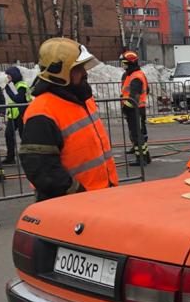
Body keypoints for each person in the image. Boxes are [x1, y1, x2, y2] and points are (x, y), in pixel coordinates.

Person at [20, 38, 118, 201]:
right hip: (72, 202)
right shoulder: (42, 112)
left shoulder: (82, 100)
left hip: (99, 196)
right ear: (61, 72)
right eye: (78, 68)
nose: (85, 73)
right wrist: (76, 192)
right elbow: (42, 170)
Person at [120, 50, 151, 165]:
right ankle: (146, 157)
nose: (123, 66)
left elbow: (133, 98)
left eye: (124, 63)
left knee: (137, 134)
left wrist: (126, 108)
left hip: (134, 110)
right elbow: (146, 90)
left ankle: (141, 159)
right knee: (140, 134)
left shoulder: (135, 77)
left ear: (130, 63)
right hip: (138, 108)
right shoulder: (135, 74)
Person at [2, 66, 30, 165]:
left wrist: (8, 90)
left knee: (24, 136)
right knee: (8, 134)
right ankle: (10, 157)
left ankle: (29, 156)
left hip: (21, 114)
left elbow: (18, 99)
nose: (7, 77)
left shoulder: (21, 85)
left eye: (9, 75)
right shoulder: (14, 85)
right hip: (13, 115)